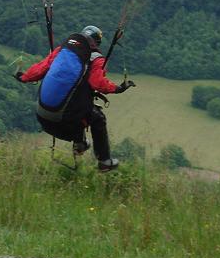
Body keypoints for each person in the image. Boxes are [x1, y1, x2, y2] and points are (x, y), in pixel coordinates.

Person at [15, 25, 135, 172]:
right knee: (96, 118)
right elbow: (97, 83)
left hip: (42, 116)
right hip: (64, 122)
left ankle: (80, 144)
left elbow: (42, 68)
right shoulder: (96, 58)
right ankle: (104, 161)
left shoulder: (62, 50)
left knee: (79, 104)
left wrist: (24, 77)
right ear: (96, 43)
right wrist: (118, 88)